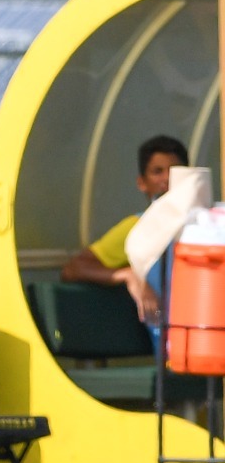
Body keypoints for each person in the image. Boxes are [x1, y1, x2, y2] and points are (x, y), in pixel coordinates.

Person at [60, 134, 189, 324]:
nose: (167, 178)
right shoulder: (137, 227)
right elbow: (73, 269)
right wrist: (127, 275)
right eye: (157, 171)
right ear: (142, 183)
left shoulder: (205, 225)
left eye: (175, 170)